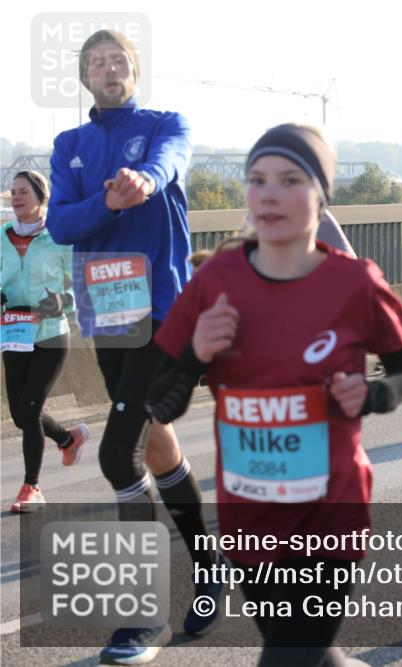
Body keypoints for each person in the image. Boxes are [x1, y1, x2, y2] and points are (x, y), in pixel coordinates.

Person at [148, 123, 402, 665]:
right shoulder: (214, 281)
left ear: (321, 196)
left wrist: (371, 396)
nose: (269, 193)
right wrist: (194, 355)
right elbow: (160, 403)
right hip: (250, 518)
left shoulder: (355, 283)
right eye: (257, 180)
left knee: (288, 655)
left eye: (289, 179)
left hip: (330, 515)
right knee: (300, 650)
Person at [45, 29, 220, 663]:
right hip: (109, 312)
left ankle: (144, 616)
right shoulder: (70, 144)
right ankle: (210, 566)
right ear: (85, 78)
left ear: (135, 69)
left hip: (165, 309)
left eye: (118, 59)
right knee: (154, 441)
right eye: (97, 62)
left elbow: (170, 161)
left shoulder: (165, 122)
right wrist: (106, 202)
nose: (109, 68)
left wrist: (142, 181)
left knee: (119, 454)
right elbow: (61, 222)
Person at [1, 170, 88, 512]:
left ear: (41, 196)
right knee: (22, 416)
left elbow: (80, 283)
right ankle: (68, 439)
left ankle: (31, 487)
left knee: (30, 407)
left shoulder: (59, 237)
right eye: (12, 192)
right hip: (14, 332)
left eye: (23, 191)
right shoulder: (3, 235)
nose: (16, 197)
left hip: (51, 333)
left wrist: (62, 300)